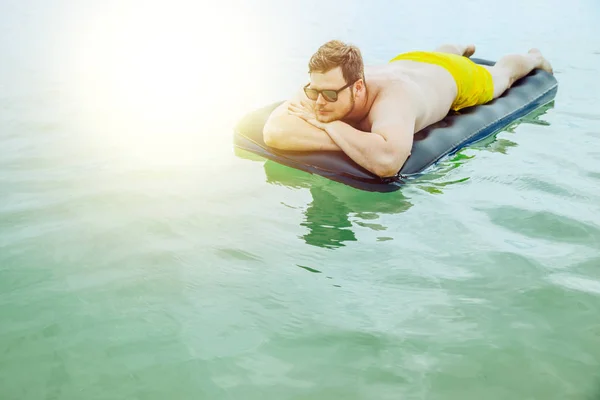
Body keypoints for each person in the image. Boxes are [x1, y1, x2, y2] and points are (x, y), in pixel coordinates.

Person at [262, 40, 553, 178]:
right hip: (410, 60)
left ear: (358, 88)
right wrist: (352, 139)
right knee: (435, 57)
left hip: (455, 77)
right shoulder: (326, 86)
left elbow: (388, 161)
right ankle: (454, 47)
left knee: (502, 76)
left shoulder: (392, 102)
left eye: (328, 94)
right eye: (313, 91)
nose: (318, 102)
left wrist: (330, 126)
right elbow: (274, 132)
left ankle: (532, 57)